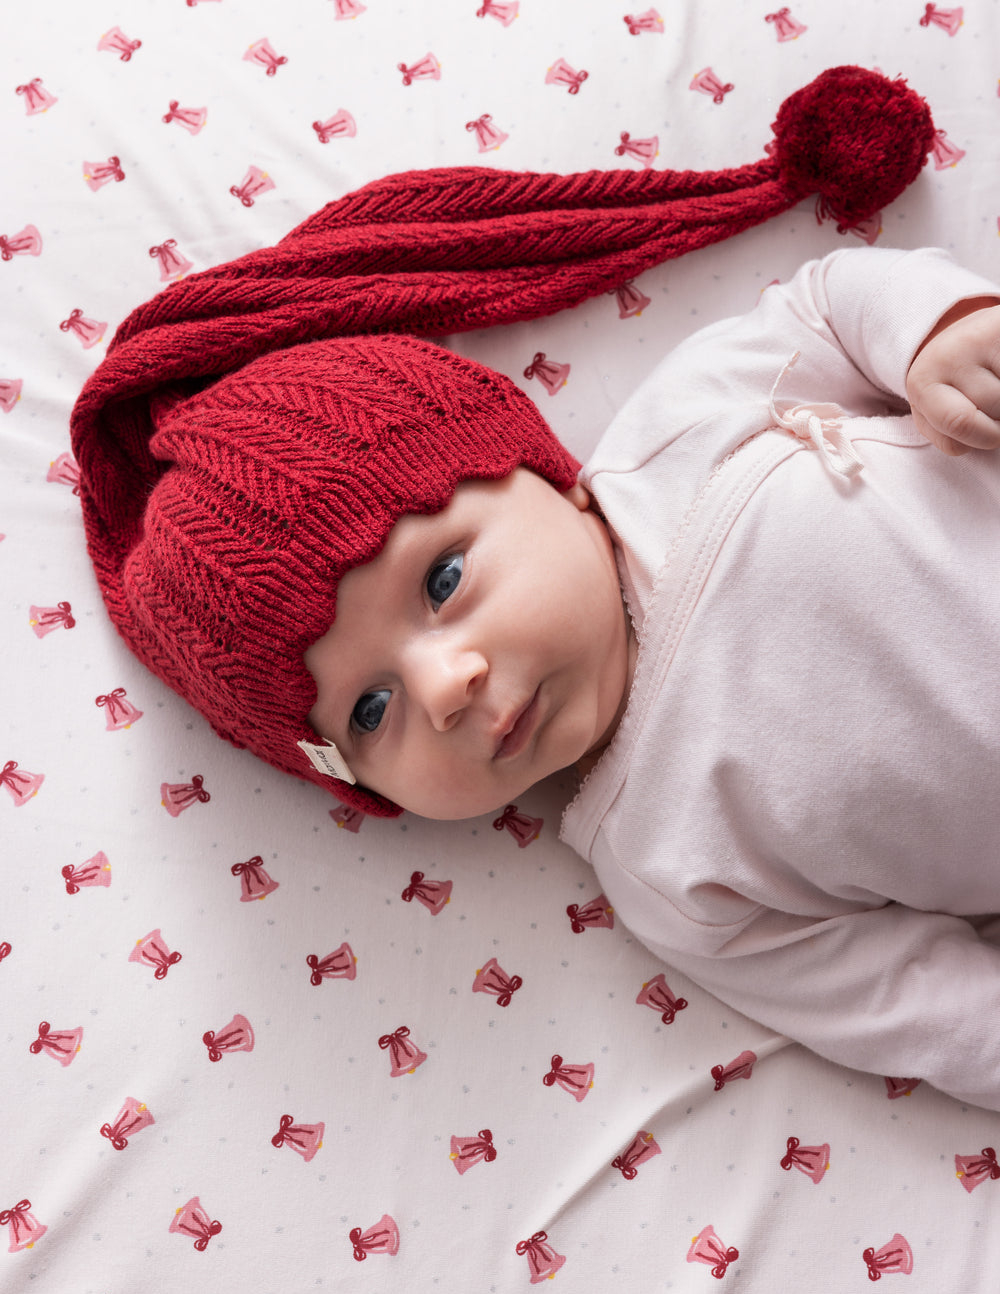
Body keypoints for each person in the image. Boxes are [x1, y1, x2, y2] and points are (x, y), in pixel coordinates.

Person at [70, 68, 1000, 1108]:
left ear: (539, 473)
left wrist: (936, 333)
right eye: (370, 711)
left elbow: (829, 305)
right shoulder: (670, 879)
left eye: (444, 577)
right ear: (354, 783)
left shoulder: (684, 429)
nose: (446, 686)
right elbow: (917, 1005)